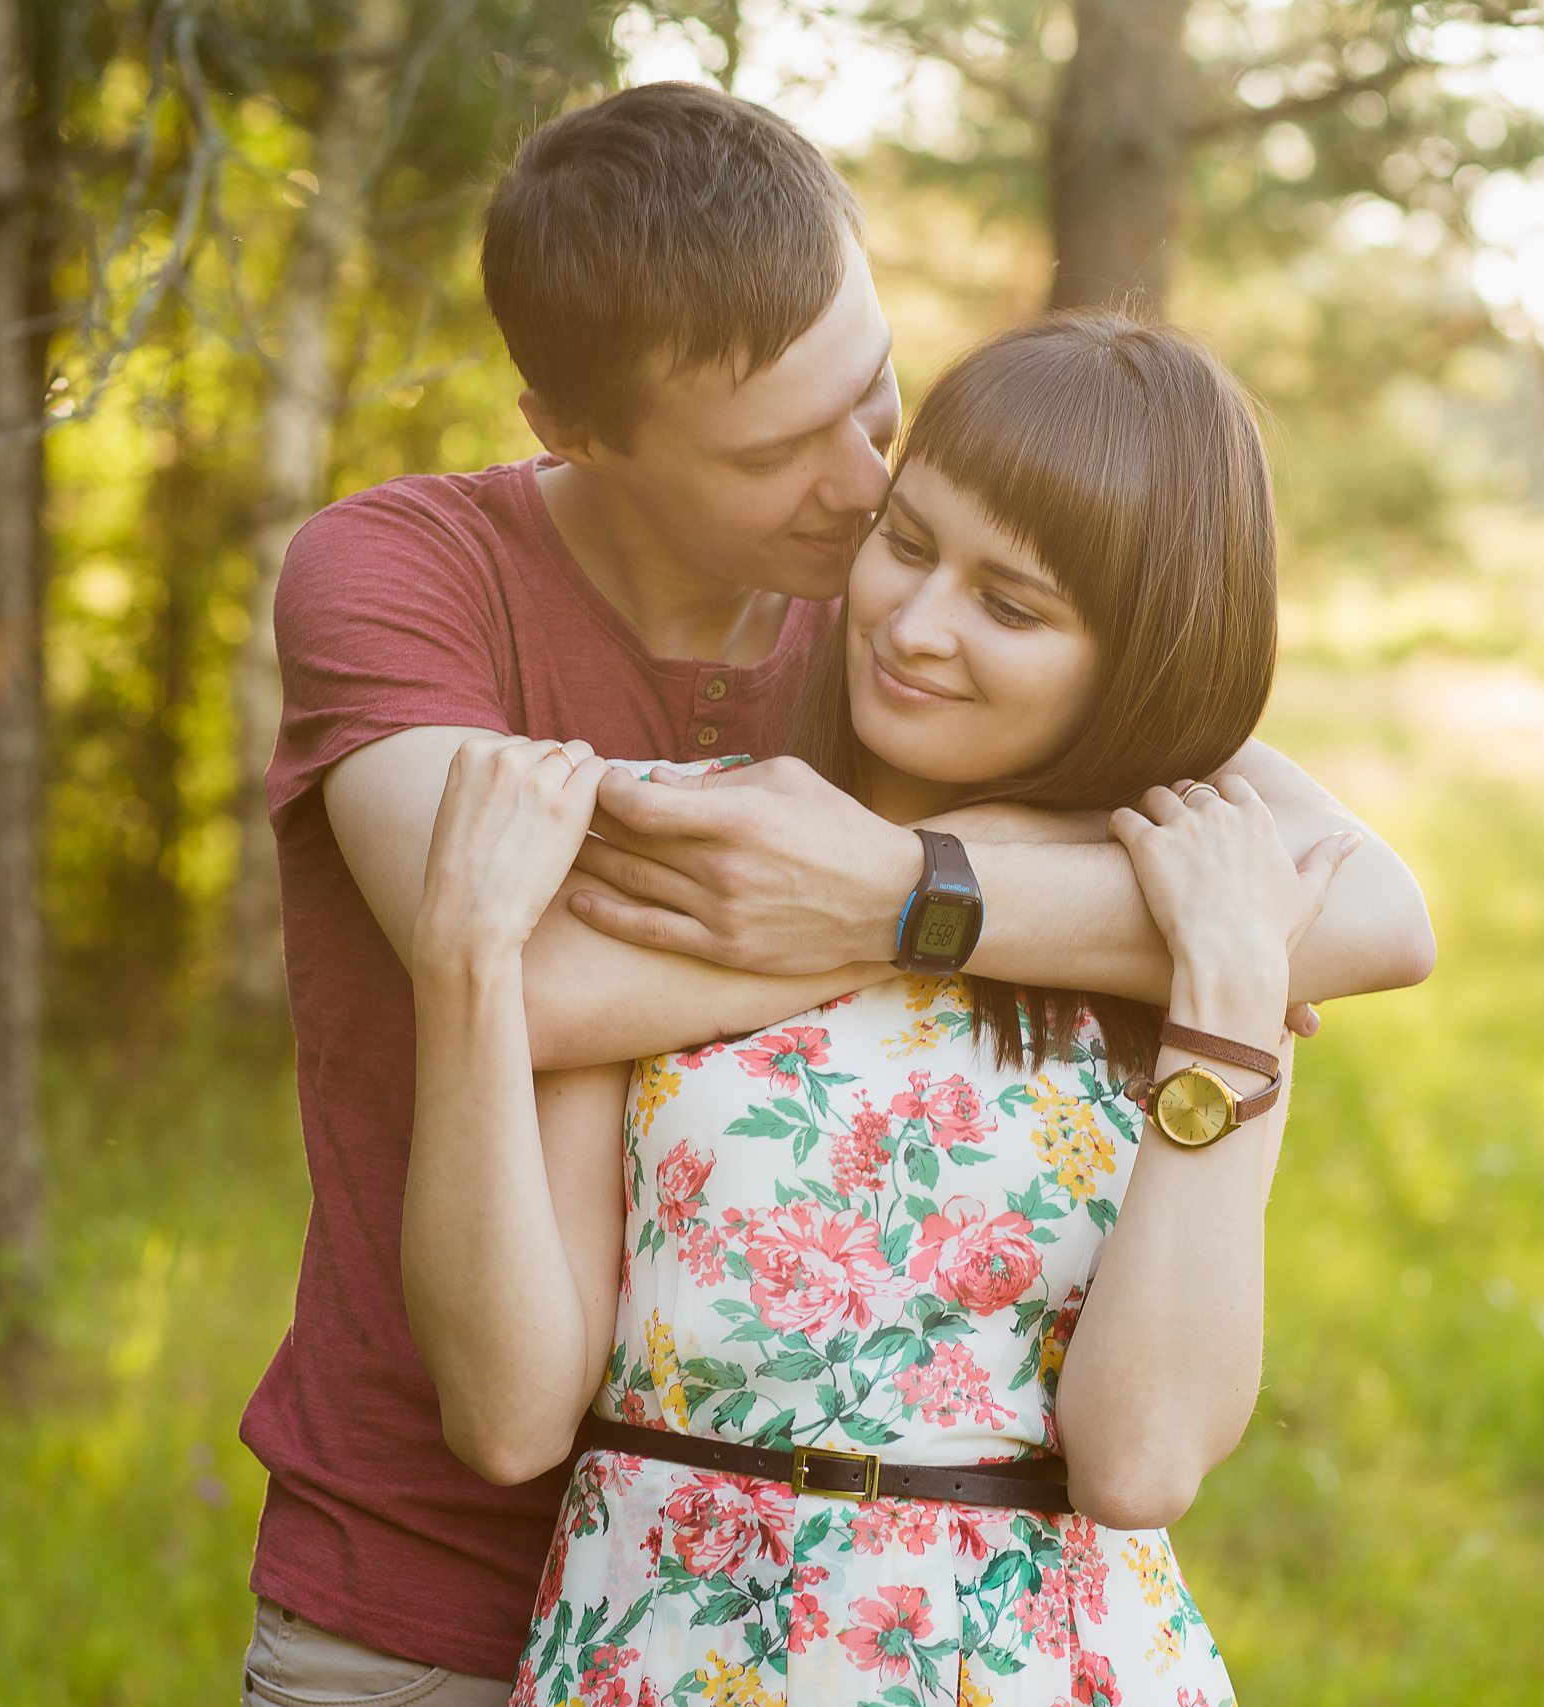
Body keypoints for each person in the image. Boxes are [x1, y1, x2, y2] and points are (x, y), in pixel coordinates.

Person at [240, 83, 1434, 1706]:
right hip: (452, 1575)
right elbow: (548, 980)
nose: (865, 478)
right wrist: (1021, 911)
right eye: (777, 448)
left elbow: (1366, 911)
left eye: (875, 397)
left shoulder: (896, 632)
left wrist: (900, 891)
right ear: (577, 435)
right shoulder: (410, 579)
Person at [405, 311, 1314, 1706]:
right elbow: (508, 1415)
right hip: (666, 1655)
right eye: (906, 541)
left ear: (1136, 656)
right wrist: (463, 964)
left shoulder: (1185, 943)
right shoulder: (687, 848)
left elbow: (1138, 1461)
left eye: (1011, 606)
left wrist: (1232, 1004)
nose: (916, 623)